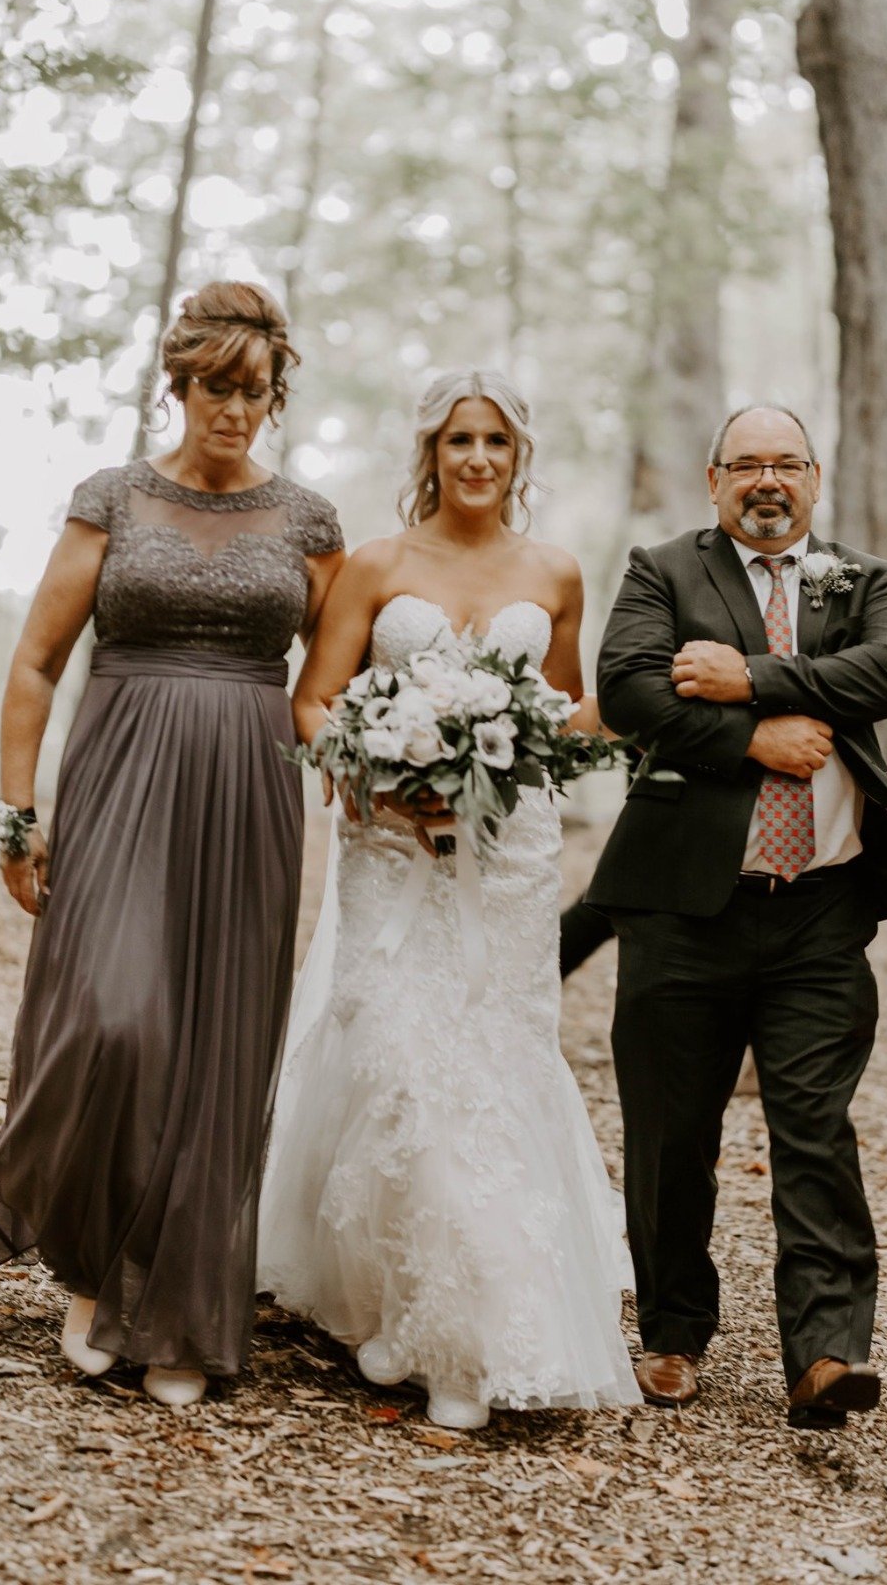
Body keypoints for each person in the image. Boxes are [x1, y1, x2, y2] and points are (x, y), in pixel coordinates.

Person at [0, 281, 344, 1405]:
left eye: (256, 391)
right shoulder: (112, 501)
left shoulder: (309, 522)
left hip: (246, 792)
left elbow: (340, 682)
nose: (235, 409)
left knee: (218, 1049)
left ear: (275, 397)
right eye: (216, 387)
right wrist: (16, 813)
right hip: (122, 778)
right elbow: (39, 662)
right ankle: (89, 1273)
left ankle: (178, 1309)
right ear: (177, 386)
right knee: (116, 1021)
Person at [257, 370, 641, 1431]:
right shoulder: (378, 566)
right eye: (460, 439)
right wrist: (380, 766)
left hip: (507, 856)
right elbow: (312, 697)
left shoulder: (555, 571)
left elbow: (560, 714)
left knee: (490, 1063)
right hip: (389, 846)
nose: (478, 458)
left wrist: (654, 700)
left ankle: (466, 1330)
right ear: (429, 452)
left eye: (498, 443)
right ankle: (390, 1303)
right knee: (395, 1057)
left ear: (520, 459)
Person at [584, 404, 887, 1427]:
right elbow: (625, 688)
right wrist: (751, 742)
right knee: (669, 1133)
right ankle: (670, 1332)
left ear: (815, 478)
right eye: (745, 463)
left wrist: (749, 677)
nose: (766, 480)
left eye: (784, 462)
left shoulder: (865, 580)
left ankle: (827, 1353)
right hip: (681, 906)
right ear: (714, 483)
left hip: (822, 914)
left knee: (817, 1129)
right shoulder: (663, 570)